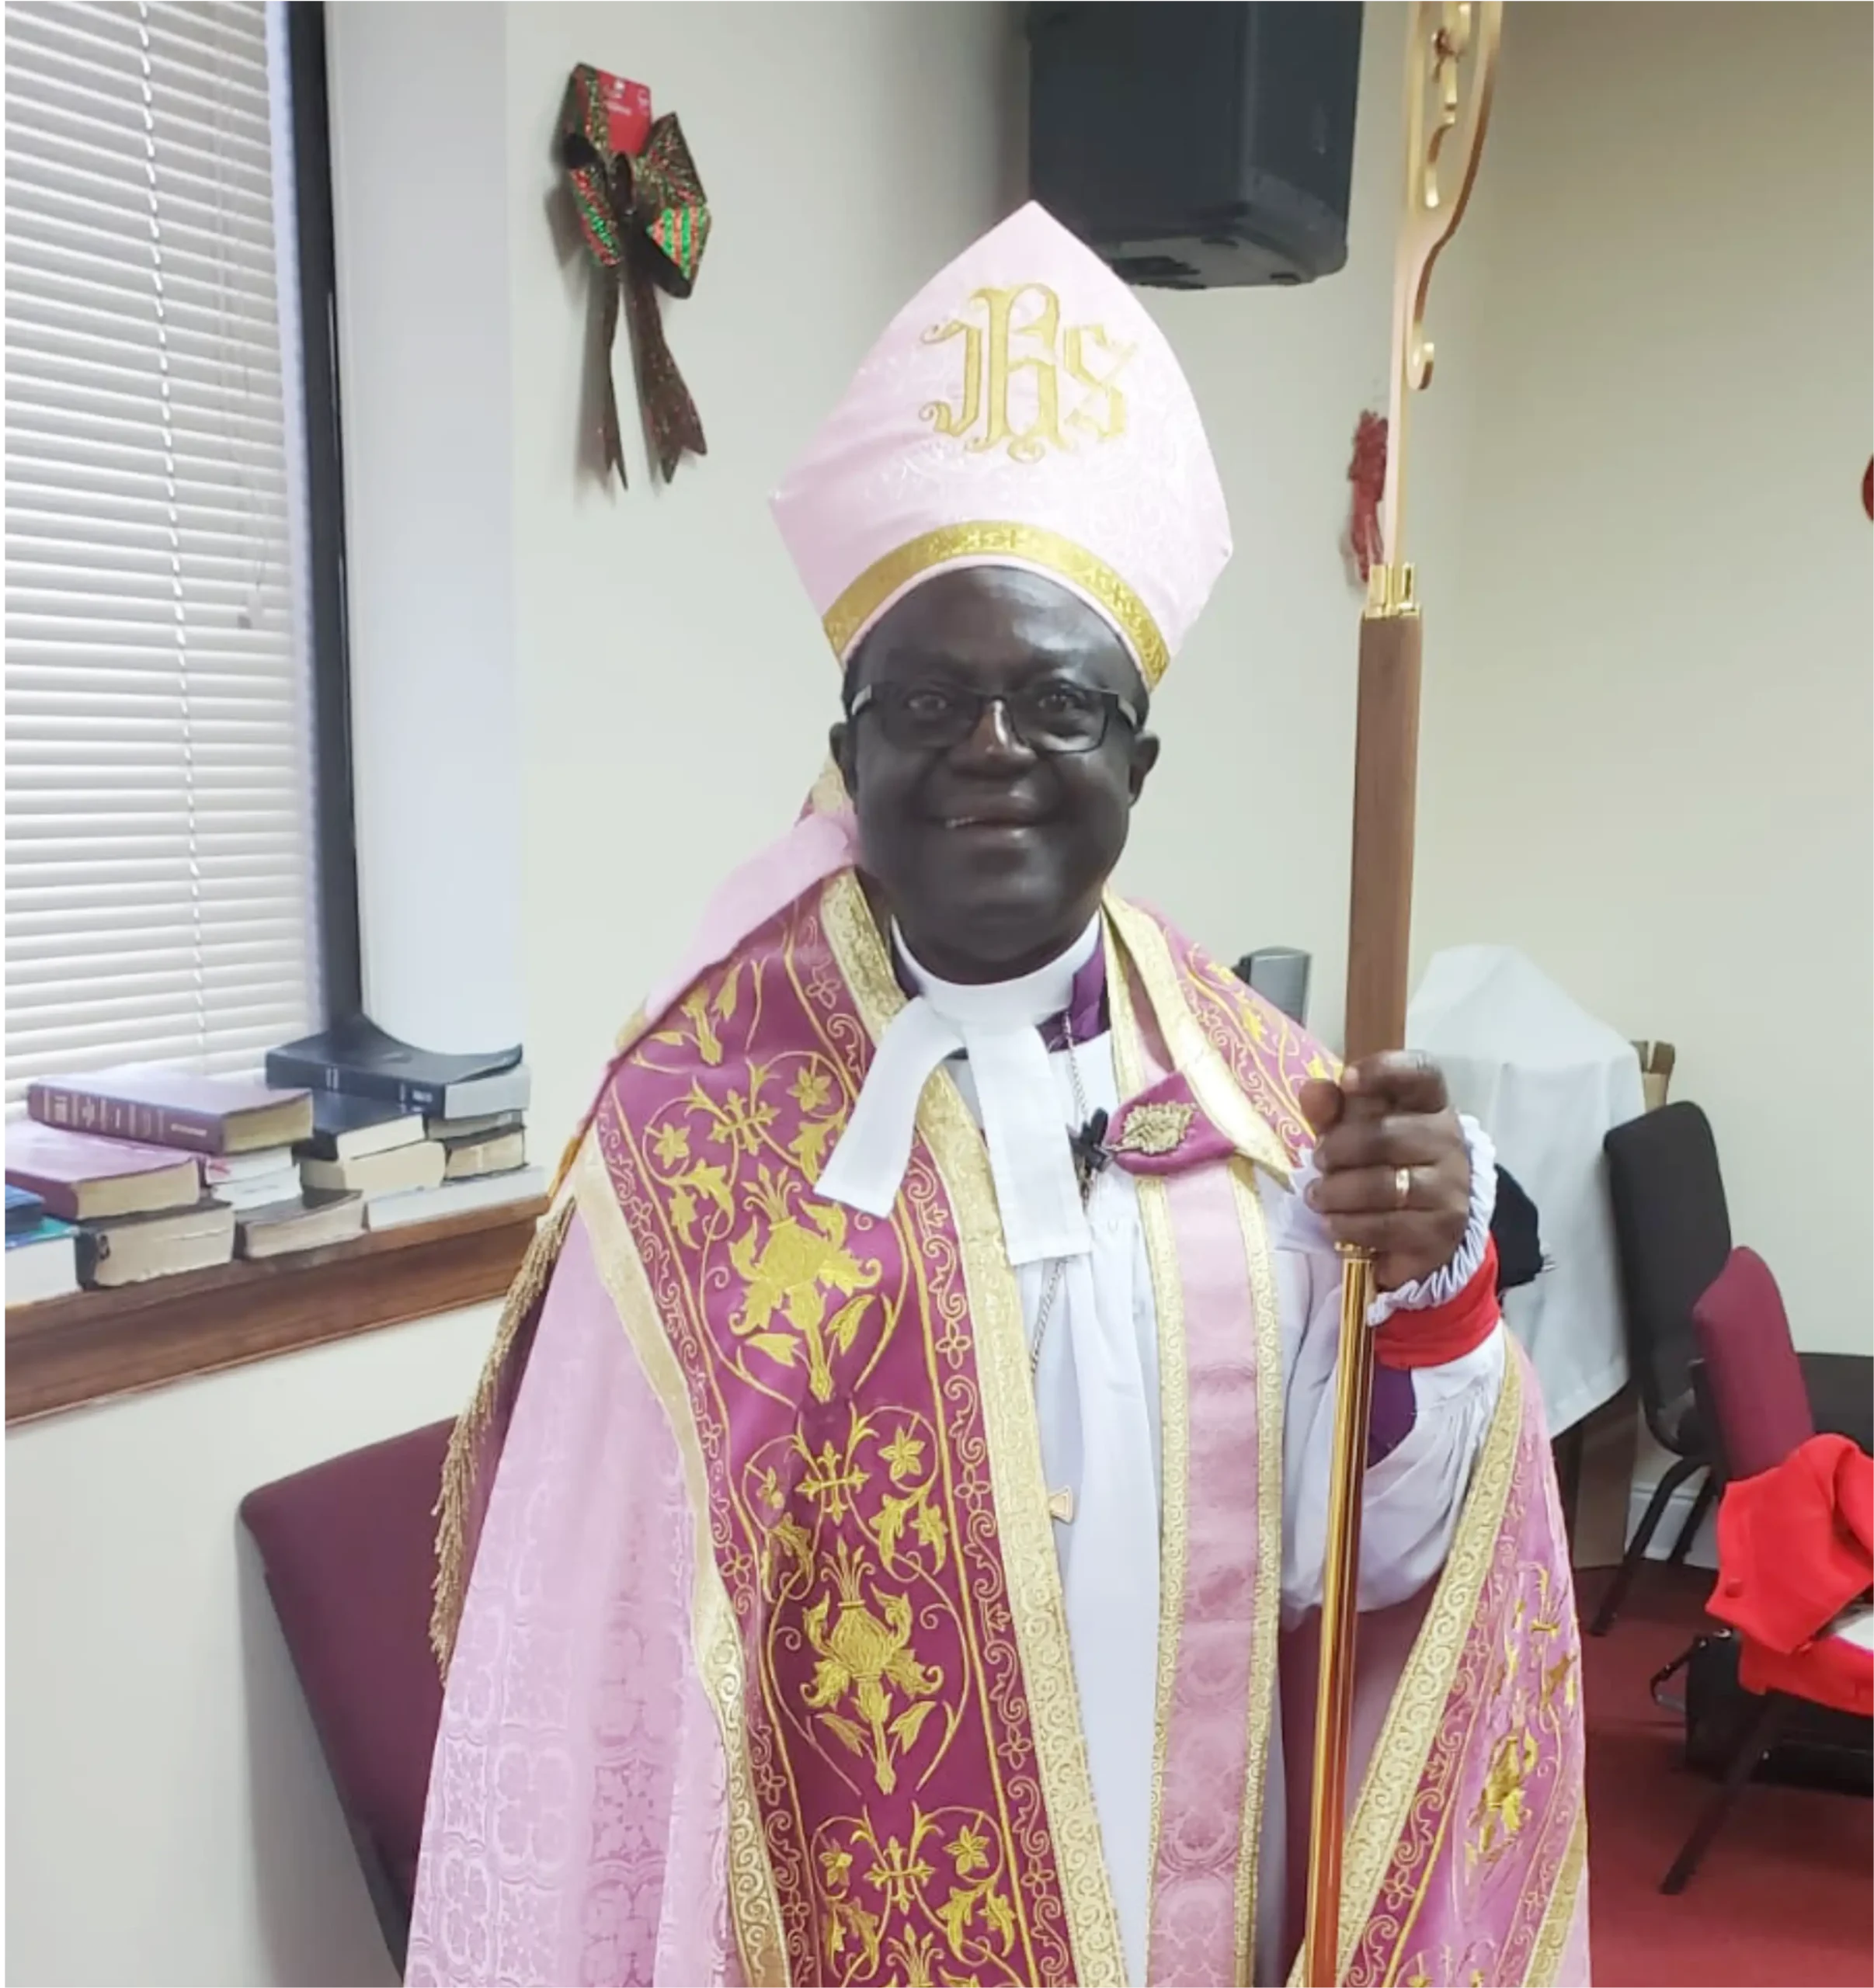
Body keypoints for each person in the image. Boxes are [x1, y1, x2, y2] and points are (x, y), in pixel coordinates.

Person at [408, 204, 1586, 1988]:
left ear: (1141, 758)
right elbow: (592, 1688)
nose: (991, 747)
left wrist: (1423, 1296)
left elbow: (1362, 1569)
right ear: (850, 741)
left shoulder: (1277, 1117)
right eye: (929, 700)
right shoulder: (695, 1136)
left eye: (1057, 700)